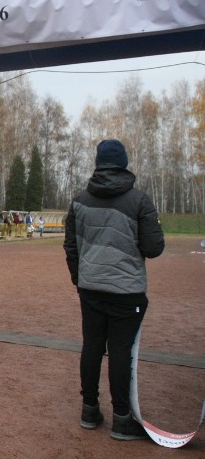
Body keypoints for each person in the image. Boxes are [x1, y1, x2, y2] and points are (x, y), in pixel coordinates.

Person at [63, 139, 164, 441]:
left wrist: (79, 279)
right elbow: (153, 247)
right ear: (124, 163)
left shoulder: (79, 200)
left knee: (92, 346)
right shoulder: (139, 201)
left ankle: (89, 409)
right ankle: (122, 417)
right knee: (120, 351)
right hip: (126, 291)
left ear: (98, 163)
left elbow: (71, 246)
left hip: (91, 287)